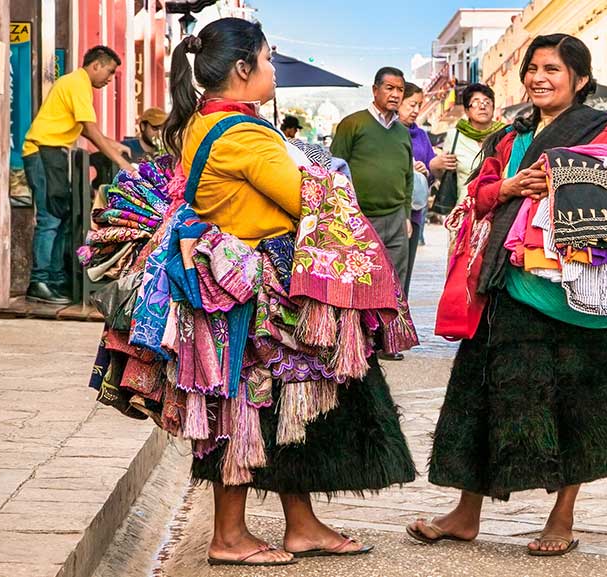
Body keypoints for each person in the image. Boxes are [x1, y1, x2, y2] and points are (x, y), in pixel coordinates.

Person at [161, 18, 415, 566]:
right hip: (256, 291)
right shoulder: (244, 134)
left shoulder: (205, 124)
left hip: (236, 285)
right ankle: (228, 536)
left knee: (274, 408)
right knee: (246, 409)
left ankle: (301, 525)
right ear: (242, 68)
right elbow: (308, 198)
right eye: (269, 59)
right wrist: (327, 170)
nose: (274, 70)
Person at [407, 33, 607, 557]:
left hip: (575, 291)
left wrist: (560, 179)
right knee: (480, 396)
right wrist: (509, 189)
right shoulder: (510, 138)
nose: (538, 77)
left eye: (552, 69)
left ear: (579, 79)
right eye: (532, 68)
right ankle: (466, 513)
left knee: (577, 403)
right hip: (506, 287)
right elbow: (477, 196)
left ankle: (563, 515)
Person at [22, 45, 135, 305]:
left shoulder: (76, 84)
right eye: (109, 72)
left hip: (54, 153)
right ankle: (39, 282)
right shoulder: (77, 83)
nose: (109, 79)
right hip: (43, 152)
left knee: (61, 217)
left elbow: (83, 129)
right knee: (50, 219)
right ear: (95, 65)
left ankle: (54, 278)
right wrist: (120, 160)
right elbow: (89, 128)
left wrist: (111, 143)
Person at [331, 67, 413, 360]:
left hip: (394, 217)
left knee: (396, 281)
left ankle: (388, 342)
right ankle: (359, 341)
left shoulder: (403, 132)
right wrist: (343, 212)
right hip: (360, 217)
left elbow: (407, 176)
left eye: (399, 90)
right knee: (361, 279)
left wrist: (405, 214)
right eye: (389, 88)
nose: (394, 94)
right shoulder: (353, 124)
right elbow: (335, 168)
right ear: (375, 90)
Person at [397, 82, 437, 296]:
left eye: (418, 105)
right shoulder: (389, 131)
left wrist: (428, 169)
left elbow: (431, 167)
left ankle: (402, 315)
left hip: (415, 209)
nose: (415, 110)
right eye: (411, 104)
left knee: (407, 268)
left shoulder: (421, 135)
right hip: (392, 210)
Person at [436, 83, 506, 205]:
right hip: (465, 209)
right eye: (475, 102)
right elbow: (443, 173)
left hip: (498, 208)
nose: (482, 107)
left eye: (487, 102)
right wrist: (435, 166)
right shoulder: (455, 136)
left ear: (493, 108)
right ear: (467, 110)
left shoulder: (505, 135)